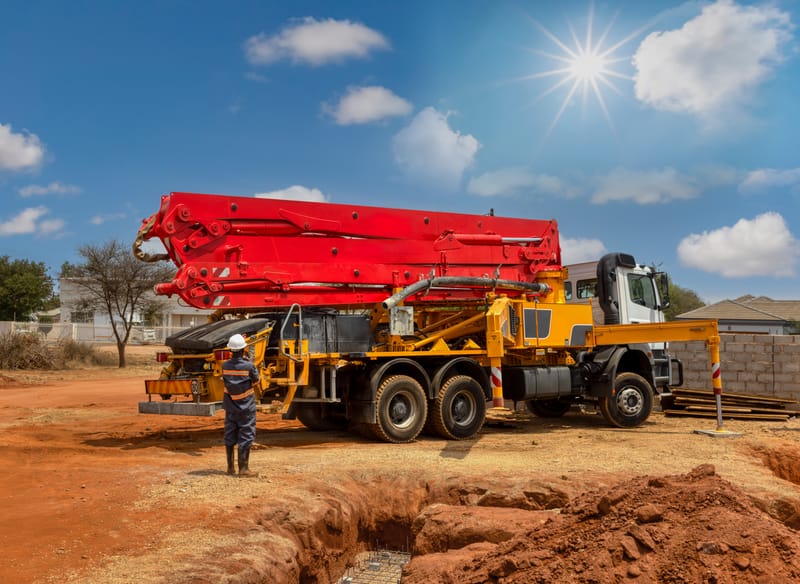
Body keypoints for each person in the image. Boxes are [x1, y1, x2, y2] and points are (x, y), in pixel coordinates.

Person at [221, 333, 260, 477]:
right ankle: (243, 469)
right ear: (243, 349)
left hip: (230, 407)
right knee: (246, 434)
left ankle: (230, 468)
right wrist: (250, 363)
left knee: (230, 434)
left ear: (230, 350)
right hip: (246, 408)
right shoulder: (249, 366)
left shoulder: (225, 366)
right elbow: (256, 381)